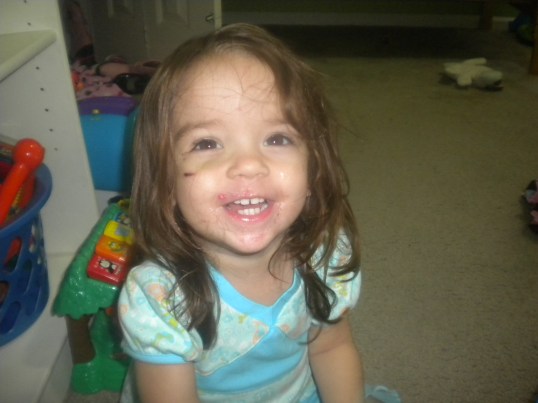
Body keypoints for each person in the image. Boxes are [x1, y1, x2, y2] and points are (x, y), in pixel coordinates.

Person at [118, 23, 365, 403]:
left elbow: (332, 349)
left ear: (314, 171)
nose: (248, 165)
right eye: (207, 143)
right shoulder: (160, 298)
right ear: (165, 184)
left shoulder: (325, 256)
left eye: (277, 138)